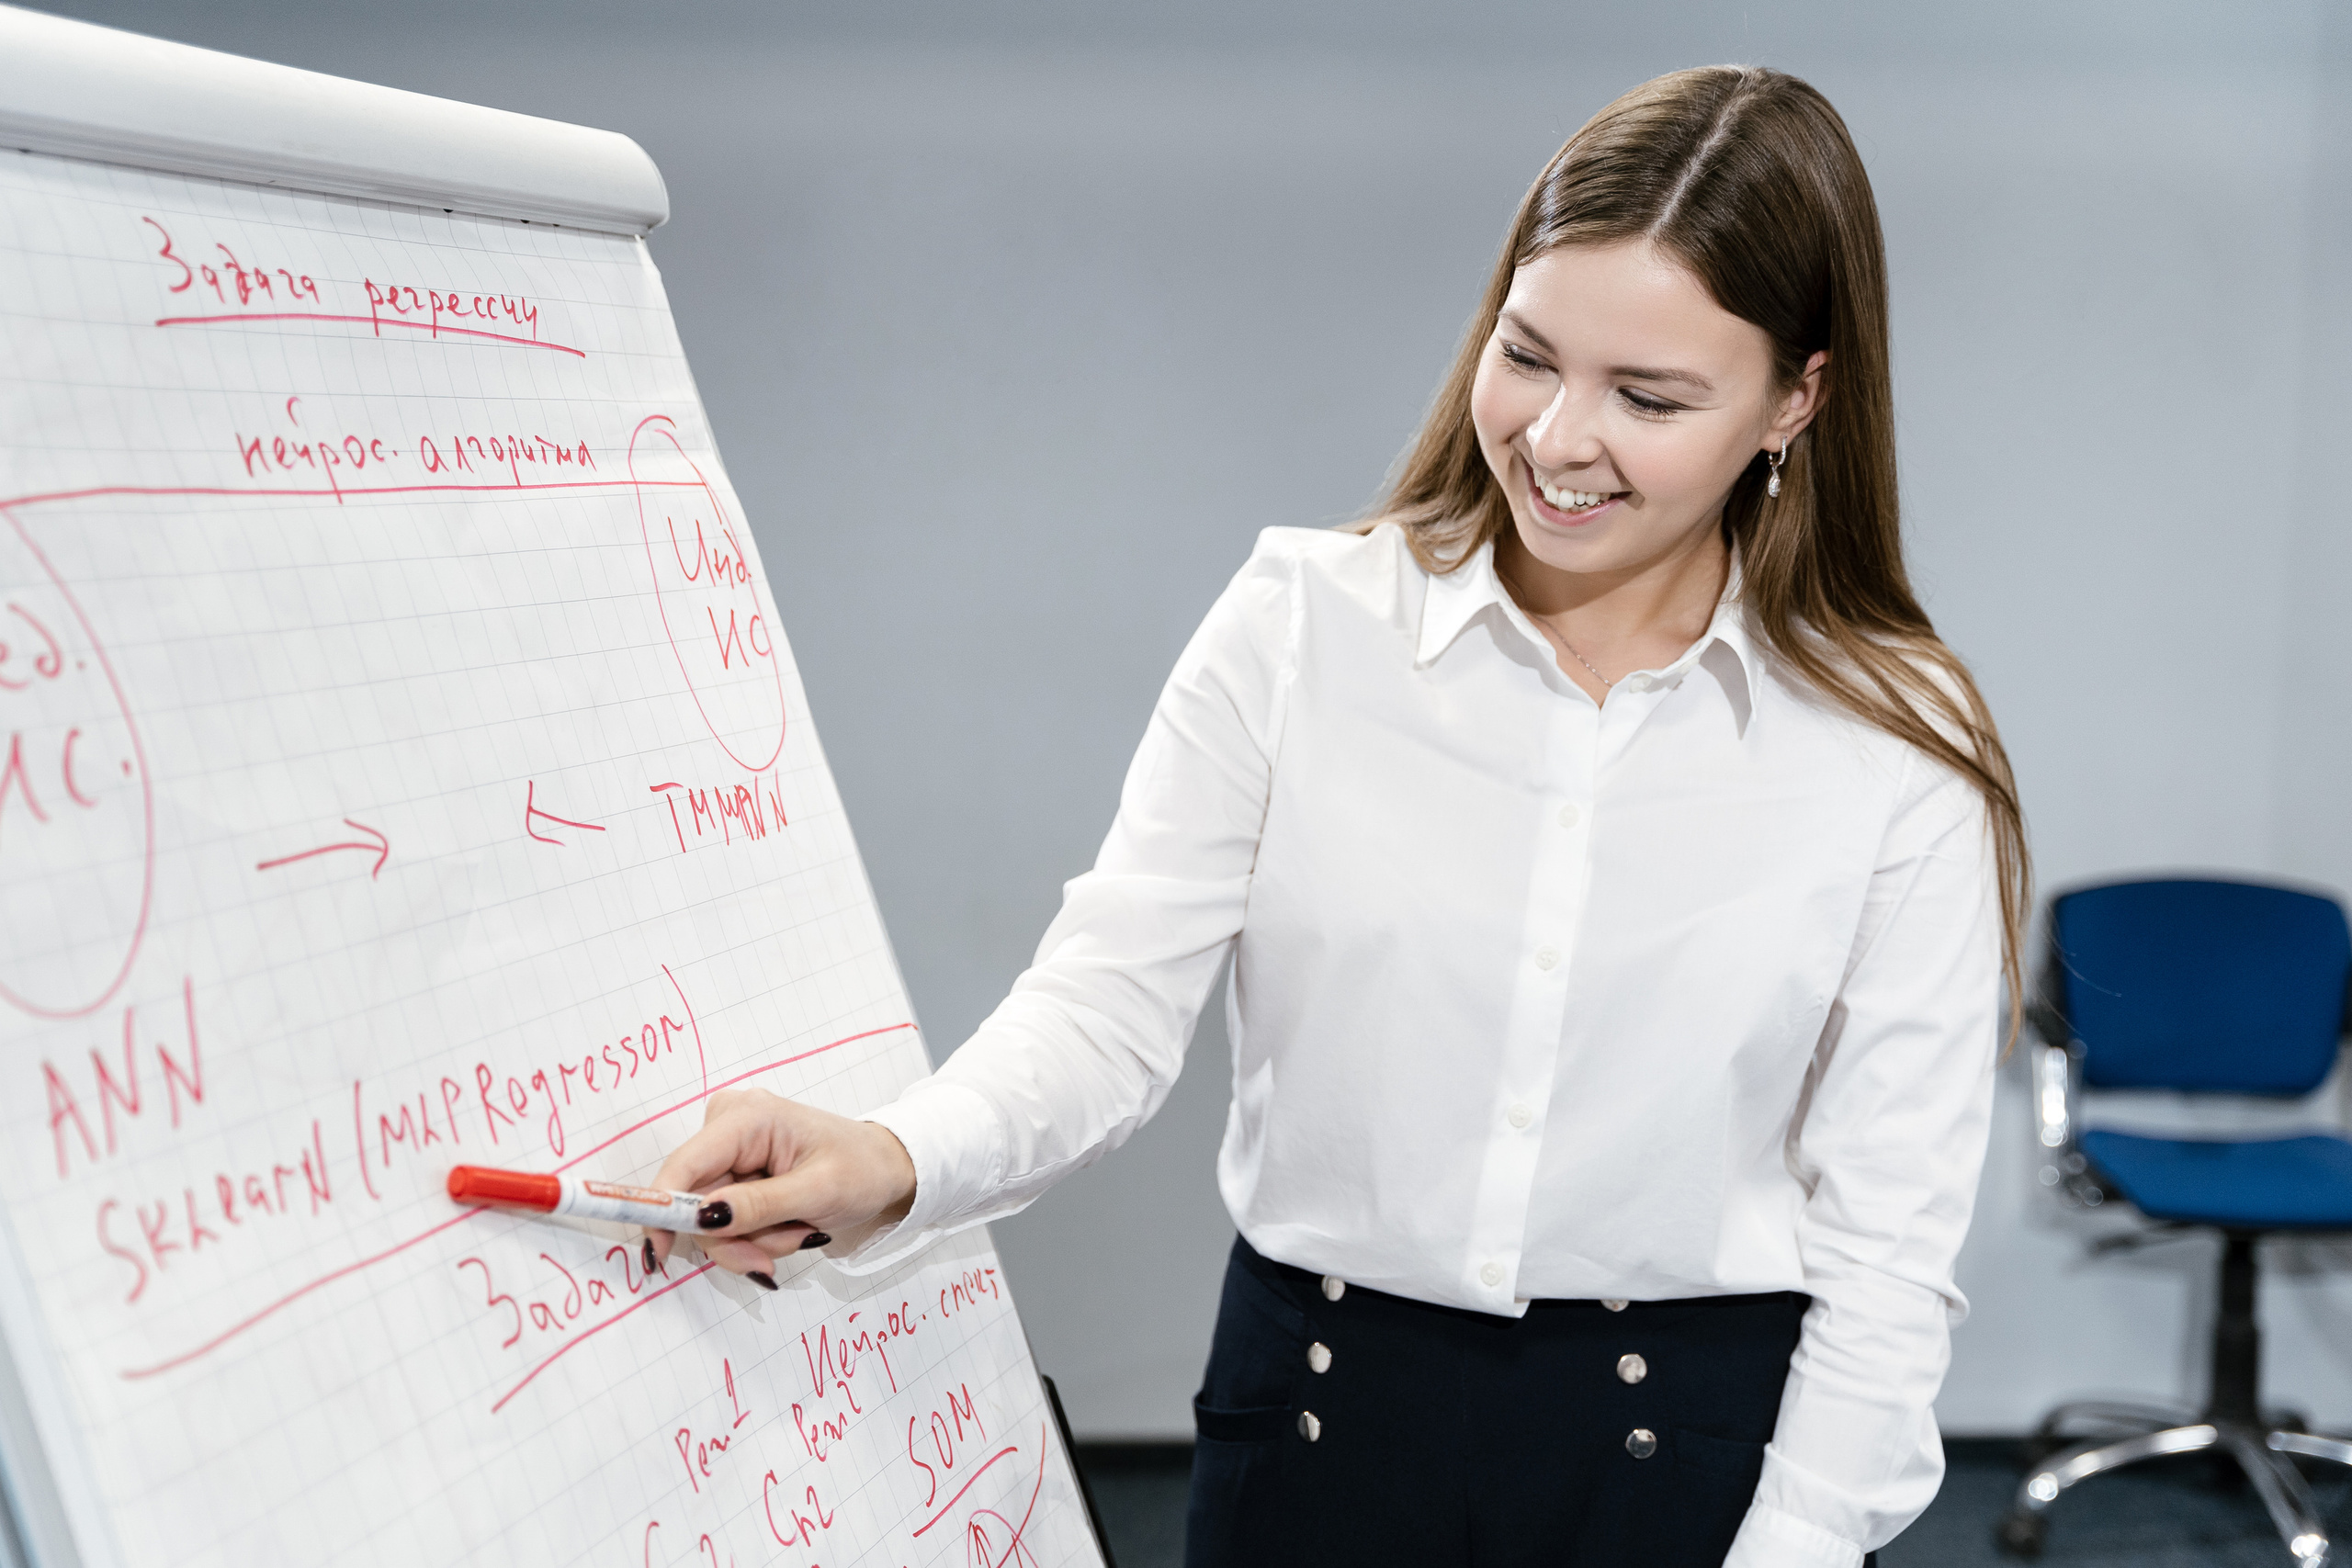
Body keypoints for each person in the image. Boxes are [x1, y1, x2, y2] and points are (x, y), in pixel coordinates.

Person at [649, 63, 2029, 1568]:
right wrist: (894, 1158)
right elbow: (1106, 1012)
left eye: (1650, 398)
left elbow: (1892, 1242)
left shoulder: (1896, 740)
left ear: (1797, 398)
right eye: (1528, 354)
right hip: (1316, 1432)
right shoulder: (1300, 624)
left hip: (1699, 1469)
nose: (1560, 441)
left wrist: (1805, 1545)